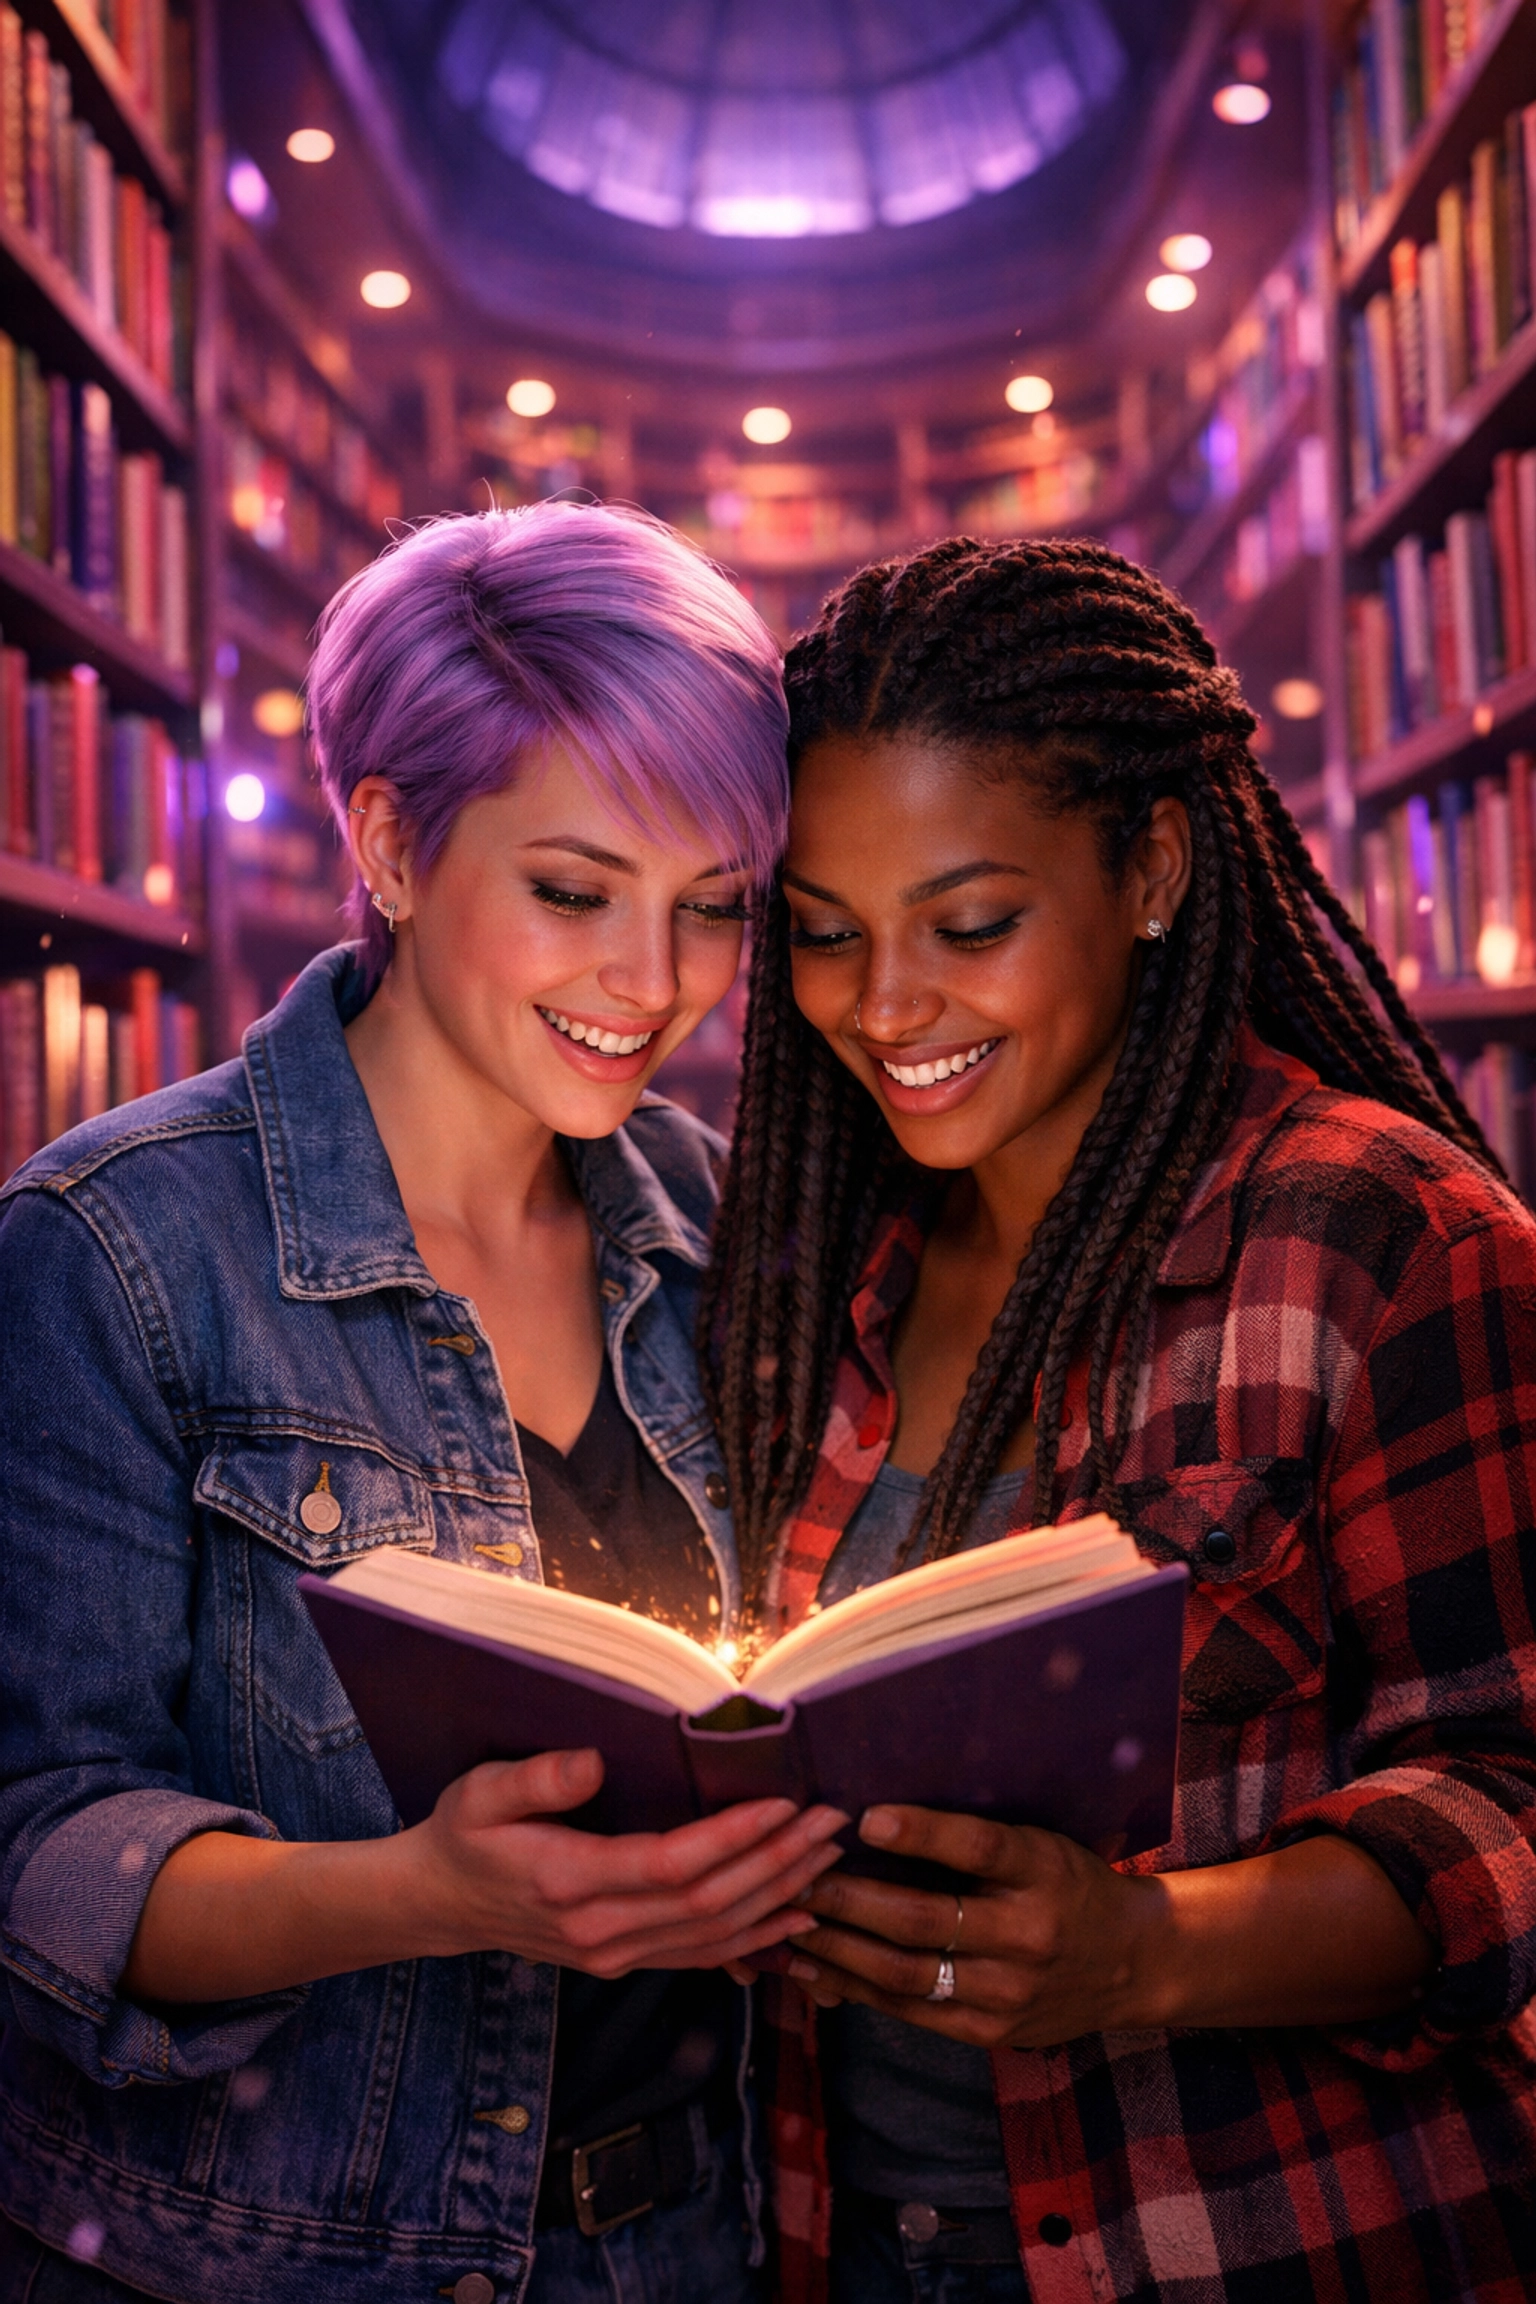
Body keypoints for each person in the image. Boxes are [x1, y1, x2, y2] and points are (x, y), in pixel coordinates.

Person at [0, 503, 849, 2304]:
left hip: (702, 2241)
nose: (657, 984)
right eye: (572, 890)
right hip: (268, 2261)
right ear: (388, 840)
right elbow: (35, 1851)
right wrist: (430, 1893)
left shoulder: (723, 1217)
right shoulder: (118, 1249)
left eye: (713, 910)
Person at [703, 537, 1536, 2303]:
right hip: (834, 2242)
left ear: (1152, 866)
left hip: (1264, 2242)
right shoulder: (801, 1268)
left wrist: (1144, 1953)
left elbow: (1515, 1800)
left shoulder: (1383, 1237)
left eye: (971, 923)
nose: (884, 1006)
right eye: (829, 935)